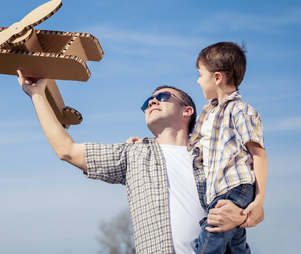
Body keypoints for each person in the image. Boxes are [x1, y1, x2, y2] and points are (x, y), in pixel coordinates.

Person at [17, 70, 263, 253]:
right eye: (147, 102)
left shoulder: (212, 152)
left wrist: (243, 216)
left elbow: (249, 197)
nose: (152, 102)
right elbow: (66, 150)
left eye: (163, 97)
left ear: (187, 111)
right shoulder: (134, 154)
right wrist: (37, 94)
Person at [188, 42, 268, 254]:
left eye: (200, 74)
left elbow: (259, 155)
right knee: (234, 246)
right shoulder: (209, 113)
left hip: (235, 187)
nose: (197, 80)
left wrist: (259, 201)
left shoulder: (241, 111)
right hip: (216, 192)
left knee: (208, 243)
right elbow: (190, 143)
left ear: (217, 78)